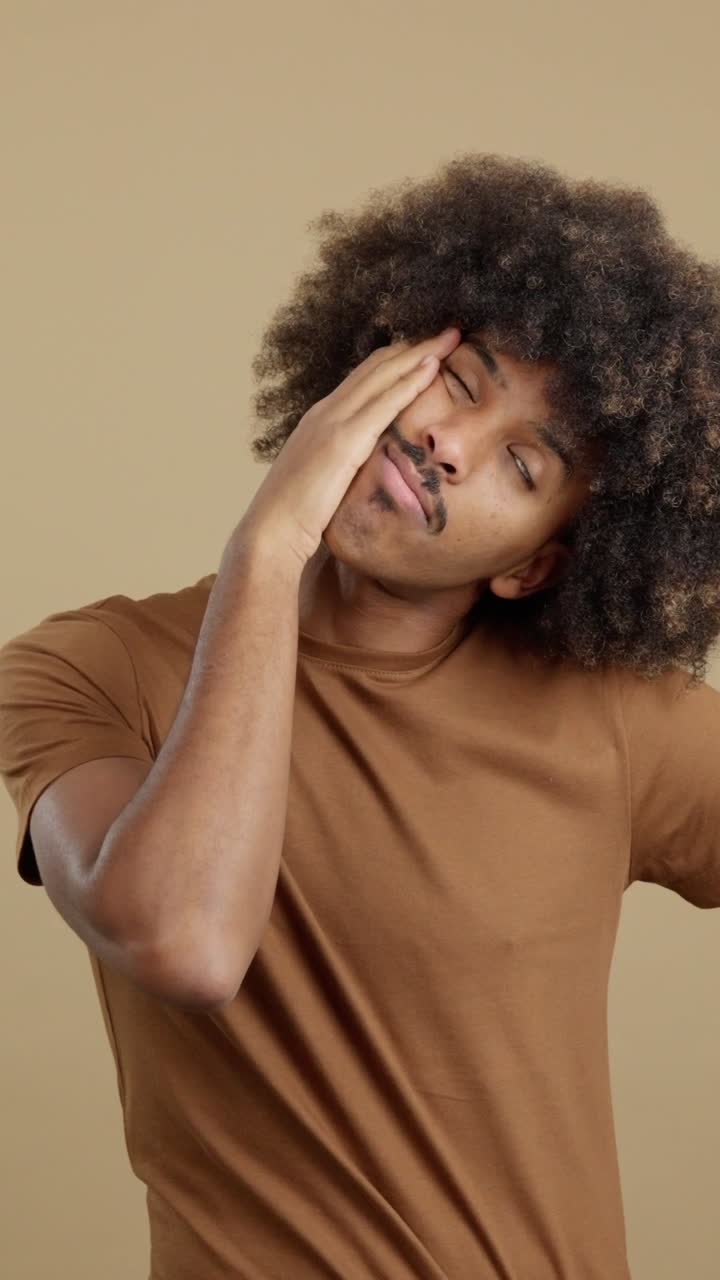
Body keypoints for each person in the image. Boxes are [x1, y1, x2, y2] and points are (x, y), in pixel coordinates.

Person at [1, 152, 720, 1279]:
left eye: (522, 465)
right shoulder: (91, 670)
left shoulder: (616, 722)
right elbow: (185, 942)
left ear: (534, 566)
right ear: (382, 352)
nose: (449, 446)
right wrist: (269, 548)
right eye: (461, 382)